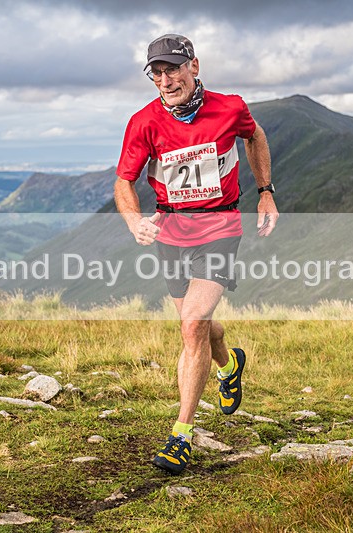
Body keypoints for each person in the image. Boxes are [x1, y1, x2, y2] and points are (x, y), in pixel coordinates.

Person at [114, 33, 278, 474]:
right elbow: (123, 182)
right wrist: (133, 221)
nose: (167, 80)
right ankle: (229, 363)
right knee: (199, 328)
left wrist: (265, 191)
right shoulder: (144, 122)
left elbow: (255, 136)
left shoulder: (230, 107)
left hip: (221, 226)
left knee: (191, 326)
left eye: (173, 69)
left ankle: (181, 436)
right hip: (171, 232)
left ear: (195, 66)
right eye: (158, 73)